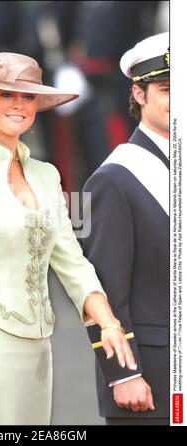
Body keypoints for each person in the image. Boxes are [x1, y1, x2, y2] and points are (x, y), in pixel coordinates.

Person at [0, 52, 136, 425]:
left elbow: (72, 261)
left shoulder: (46, 176)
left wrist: (109, 324)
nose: (20, 106)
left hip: (40, 355)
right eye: (7, 95)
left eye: (28, 97)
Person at [80, 32, 169, 425]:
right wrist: (124, 373)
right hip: (154, 375)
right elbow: (102, 290)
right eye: (167, 89)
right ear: (139, 94)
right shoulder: (112, 180)